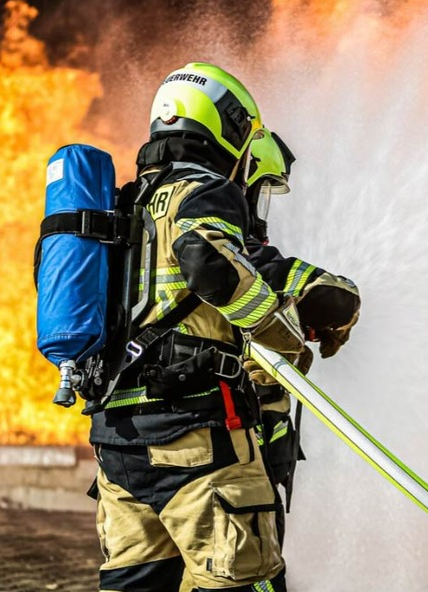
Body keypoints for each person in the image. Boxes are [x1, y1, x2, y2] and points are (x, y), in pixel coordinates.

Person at [90, 62, 305, 592]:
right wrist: (281, 334)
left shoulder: (124, 206)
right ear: (229, 127)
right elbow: (207, 262)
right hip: (199, 444)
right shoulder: (207, 191)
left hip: (119, 447)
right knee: (243, 582)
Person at [240, 128, 361, 513]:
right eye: (260, 193)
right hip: (227, 445)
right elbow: (325, 293)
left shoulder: (147, 227)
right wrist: (340, 299)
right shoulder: (218, 239)